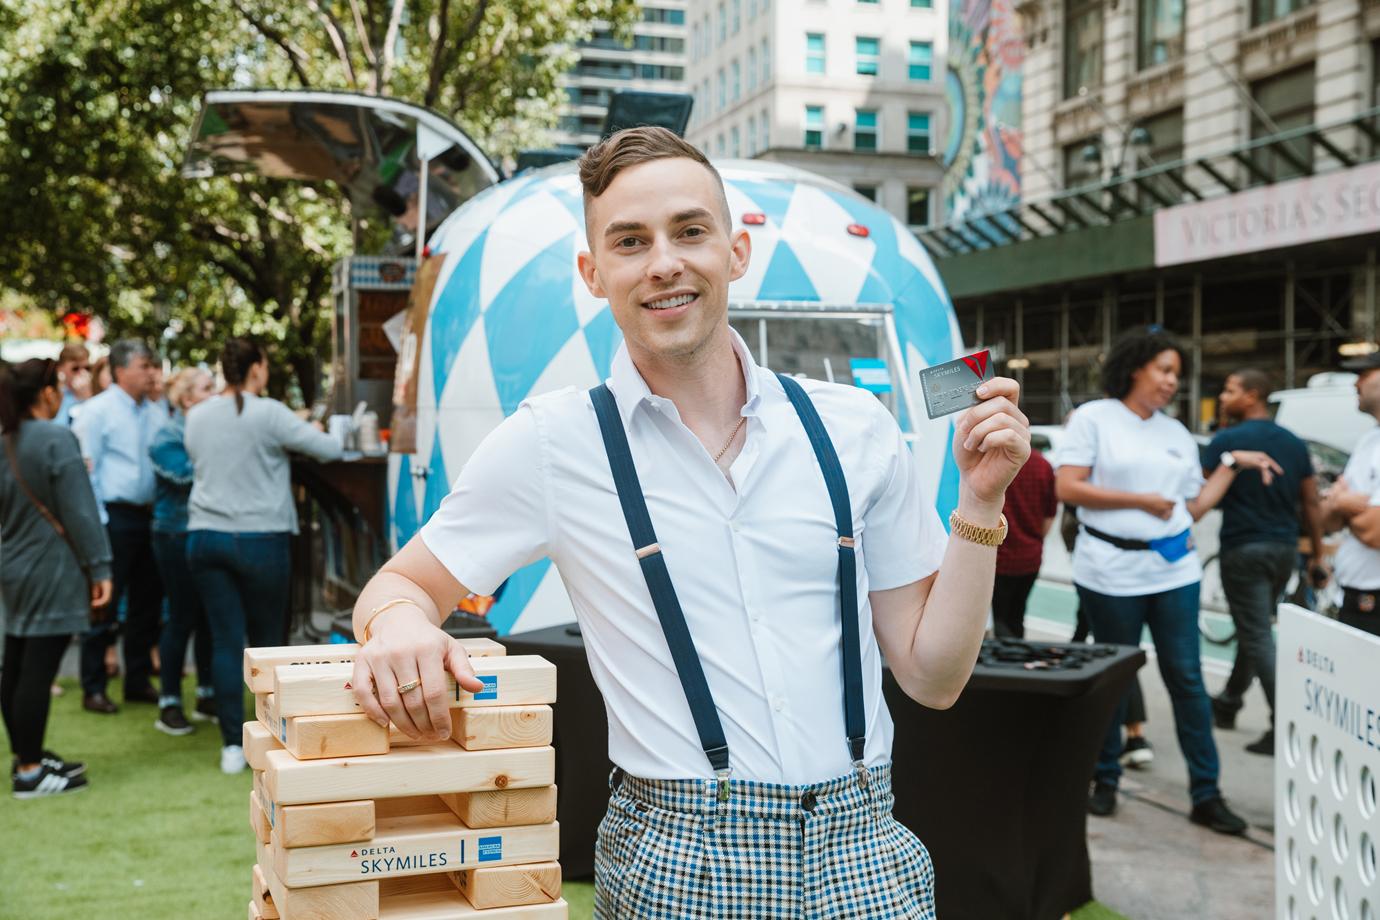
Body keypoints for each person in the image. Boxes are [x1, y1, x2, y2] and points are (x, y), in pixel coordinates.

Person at [345, 127, 1031, 916]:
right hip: (679, 858)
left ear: (735, 252)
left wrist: (979, 505)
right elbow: (398, 586)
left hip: (864, 847)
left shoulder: (854, 428)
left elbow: (934, 679)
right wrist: (400, 625)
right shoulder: (552, 442)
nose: (664, 262)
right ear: (593, 273)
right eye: (630, 241)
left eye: (690, 231)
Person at [1054, 325, 1280, 834]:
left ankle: (1207, 794)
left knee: (1187, 679)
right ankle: (1104, 781)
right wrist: (1141, 501)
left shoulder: (1175, 432)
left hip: (1175, 570)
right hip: (1109, 571)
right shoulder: (1095, 419)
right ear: (1136, 367)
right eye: (1164, 370)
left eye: (1177, 374)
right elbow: (1068, 485)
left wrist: (1229, 463)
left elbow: (1192, 507)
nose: (1172, 382)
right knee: (1114, 677)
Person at [186, 339, 342, 773]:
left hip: (205, 536)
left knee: (224, 640)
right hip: (261, 538)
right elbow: (329, 450)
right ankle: (269, 733)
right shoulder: (270, 412)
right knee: (268, 642)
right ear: (256, 368)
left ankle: (230, 746)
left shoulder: (196, 415)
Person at [0, 359, 113, 797]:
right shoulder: (54, 438)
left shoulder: (6, 440)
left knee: (17, 662)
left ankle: (27, 755)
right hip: (50, 568)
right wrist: (100, 567)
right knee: (37, 667)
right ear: (46, 393)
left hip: (12, 565)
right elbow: (80, 512)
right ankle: (30, 770)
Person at [1205, 369, 1324, 755]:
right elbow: (1311, 502)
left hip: (1243, 549)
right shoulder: (1293, 442)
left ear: (1253, 395)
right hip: (1283, 551)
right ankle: (1228, 702)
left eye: (1230, 389)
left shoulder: (1226, 441)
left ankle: (1285, 726)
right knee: (1253, 628)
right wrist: (1317, 554)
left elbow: (1204, 492)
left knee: (1256, 634)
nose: (1223, 397)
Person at [72, 339, 166, 714]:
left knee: (147, 601)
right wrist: (99, 520)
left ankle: (138, 678)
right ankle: (93, 685)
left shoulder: (157, 412)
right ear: (121, 370)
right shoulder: (97, 411)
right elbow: (85, 471)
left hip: (150, 515)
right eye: (144, 366)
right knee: (105, 604)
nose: (151, 373)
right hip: (114, 516)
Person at [148, 367, 217, 736]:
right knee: (180, 616)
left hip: (203, 532)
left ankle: (206, 694)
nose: (216, 394)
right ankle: (169, 702)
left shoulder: (208, 430)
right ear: (187, 398)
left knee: (208, 616)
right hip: (173, 535)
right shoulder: (166, 436)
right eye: (208, 389)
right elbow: (187, 476)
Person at [1320, 351, 1380, 638]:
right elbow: (1327, 522)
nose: (1355, 383)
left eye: (1364, 374)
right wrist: (1344, 505)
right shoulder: (1368, 440)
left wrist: (1340, 501)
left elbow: (1375, 532)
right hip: (1350, 596)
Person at [991, 448, 1056, 638]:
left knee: (998, 618)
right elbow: (1050, 513)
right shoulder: (1042, 465)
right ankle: (1017, 657)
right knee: (1017, 616)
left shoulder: (992, 463)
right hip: (1030, 556)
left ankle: (1005, 660)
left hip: (998, 558)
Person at [53, 343, 91, 427]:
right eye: (75, 369)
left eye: (87, 368)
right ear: (60, 368)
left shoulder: (95, 394)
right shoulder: (54, 396)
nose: (82, 373)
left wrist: (87, 398)